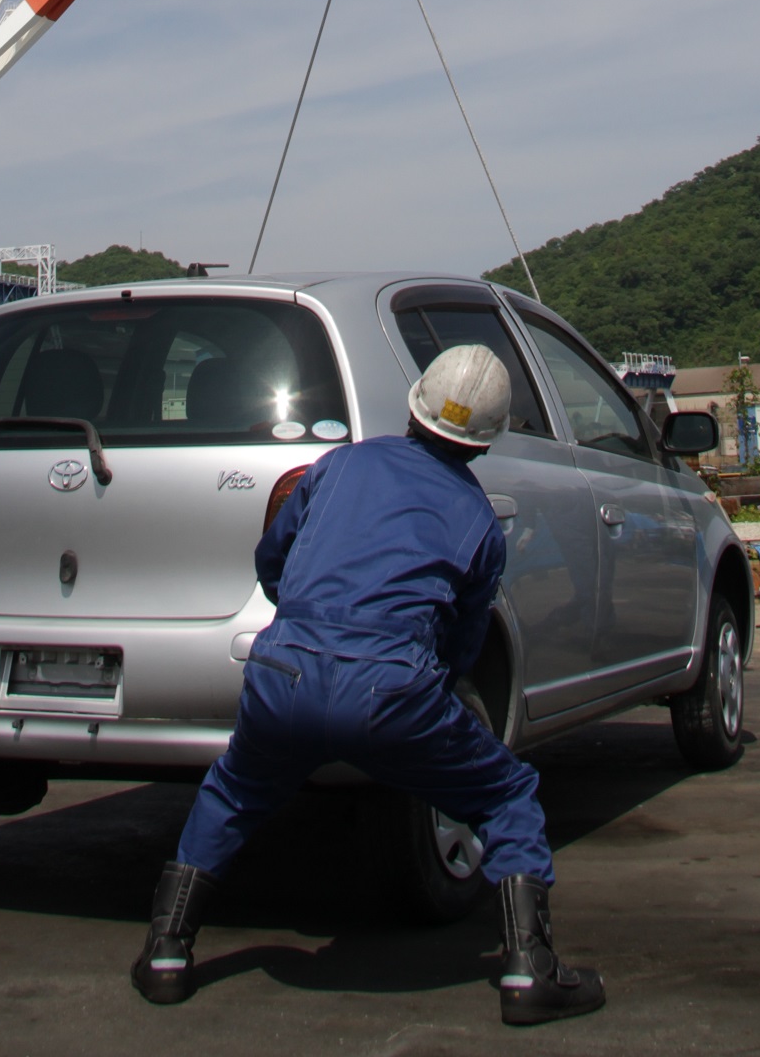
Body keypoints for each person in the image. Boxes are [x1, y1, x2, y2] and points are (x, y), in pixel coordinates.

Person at [131, 342, 605, 1026]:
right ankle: (530, 971)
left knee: (234, 789)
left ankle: (167, 954)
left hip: (283, 671)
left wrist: (308, 632)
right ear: (487, 439)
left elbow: (274, 561)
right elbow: (461, 645)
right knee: (507, 795)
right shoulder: (478, 519)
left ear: (413, 406)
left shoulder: (339, 464)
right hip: (391, 691)